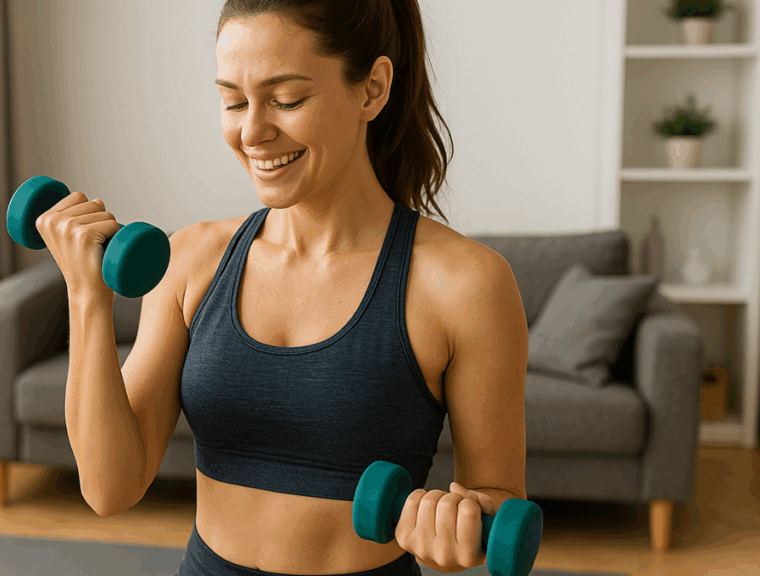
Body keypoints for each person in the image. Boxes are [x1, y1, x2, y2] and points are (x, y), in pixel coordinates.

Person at [35, 1, 530, 575]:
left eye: (287, 100)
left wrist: (455, 529)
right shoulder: (192, 260)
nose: (252, 132)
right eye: (233, 102)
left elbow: (497, 498)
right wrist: (86, 298)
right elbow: (108, 488)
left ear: (372, 89)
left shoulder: (465, 284)